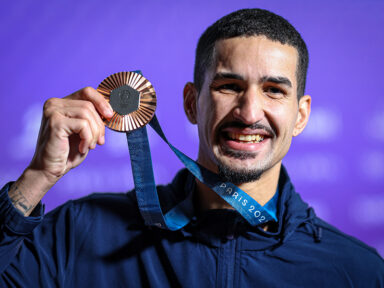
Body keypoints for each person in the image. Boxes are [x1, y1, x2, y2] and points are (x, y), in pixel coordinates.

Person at [0, 8, 383, 287]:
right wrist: (35, 179)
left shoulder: (357, 271)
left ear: (300, 116)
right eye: (228, 86)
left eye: (274, 91)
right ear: (190, 103)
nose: (249, 112)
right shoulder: (81, 233)